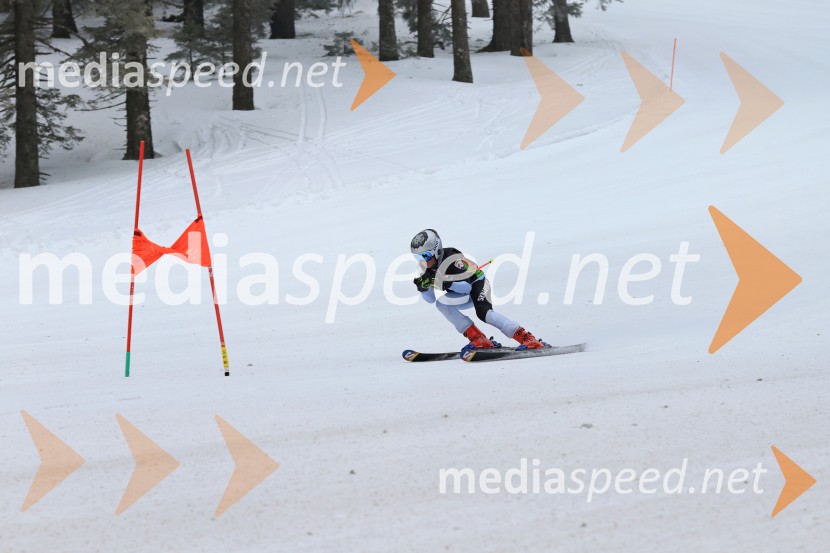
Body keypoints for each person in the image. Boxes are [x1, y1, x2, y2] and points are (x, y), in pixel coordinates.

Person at [410, 229, 545, 350]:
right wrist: (423, 288)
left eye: (425, 256)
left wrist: (445, 283)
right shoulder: (422, 268)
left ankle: (527, 338)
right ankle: (478, 338)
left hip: (477, 284)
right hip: (460, 292)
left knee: (484, 313)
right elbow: (430, 300)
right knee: (441, 304)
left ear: (436, 251)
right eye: (418, 257)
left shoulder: (452, 258)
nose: (422, 261)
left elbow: (466, 287)